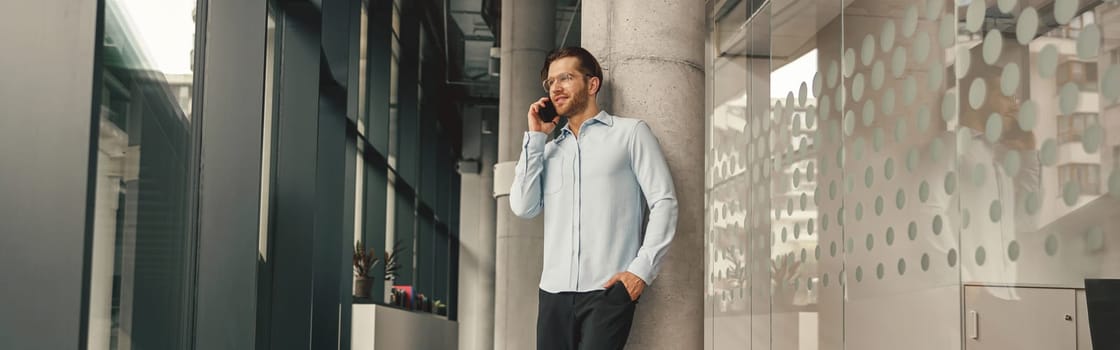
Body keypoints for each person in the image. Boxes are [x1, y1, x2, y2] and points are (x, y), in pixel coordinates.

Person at [508, 46, 679, 350]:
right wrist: (536, 137)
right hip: (553, 294)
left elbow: (664, 201)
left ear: (592, 84)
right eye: (550, 83)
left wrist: (640, 271)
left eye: (566, 78)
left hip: (607, 292)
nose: (556, 88)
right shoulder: (548, 151)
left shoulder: (630, 134)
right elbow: (523, 207)